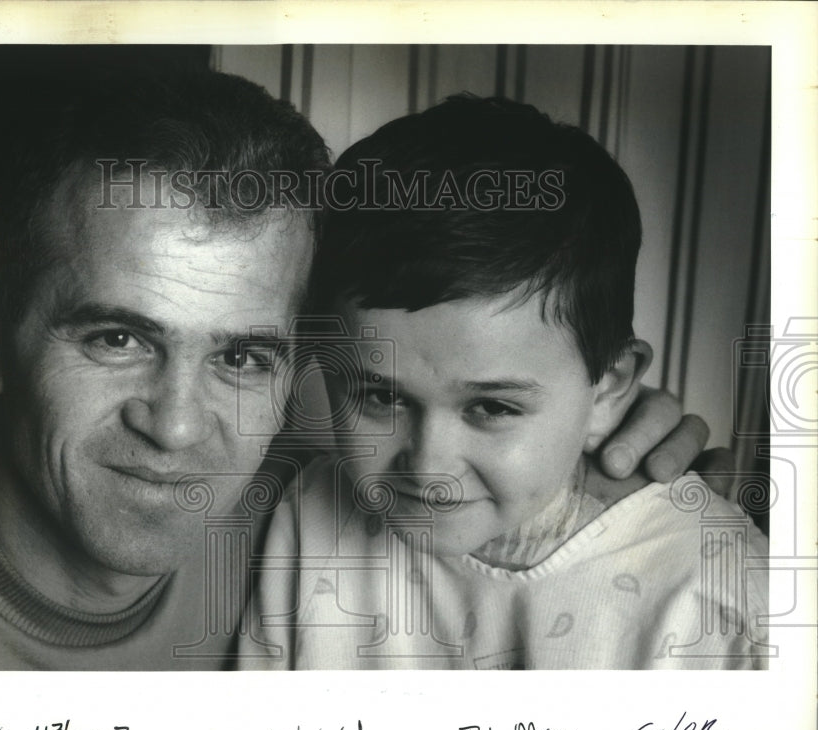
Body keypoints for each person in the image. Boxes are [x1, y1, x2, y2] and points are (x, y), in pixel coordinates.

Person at [0, 68, 726, 670]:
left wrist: (618, 453)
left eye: (242, 356)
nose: (173, 427)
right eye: (116, 340)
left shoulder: (322, 487)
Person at [248, 95, 768, 669]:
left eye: (492, 407)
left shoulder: (727, 605)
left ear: (610, 387)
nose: (428, 468)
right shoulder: (306, 520)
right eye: (380, 396)